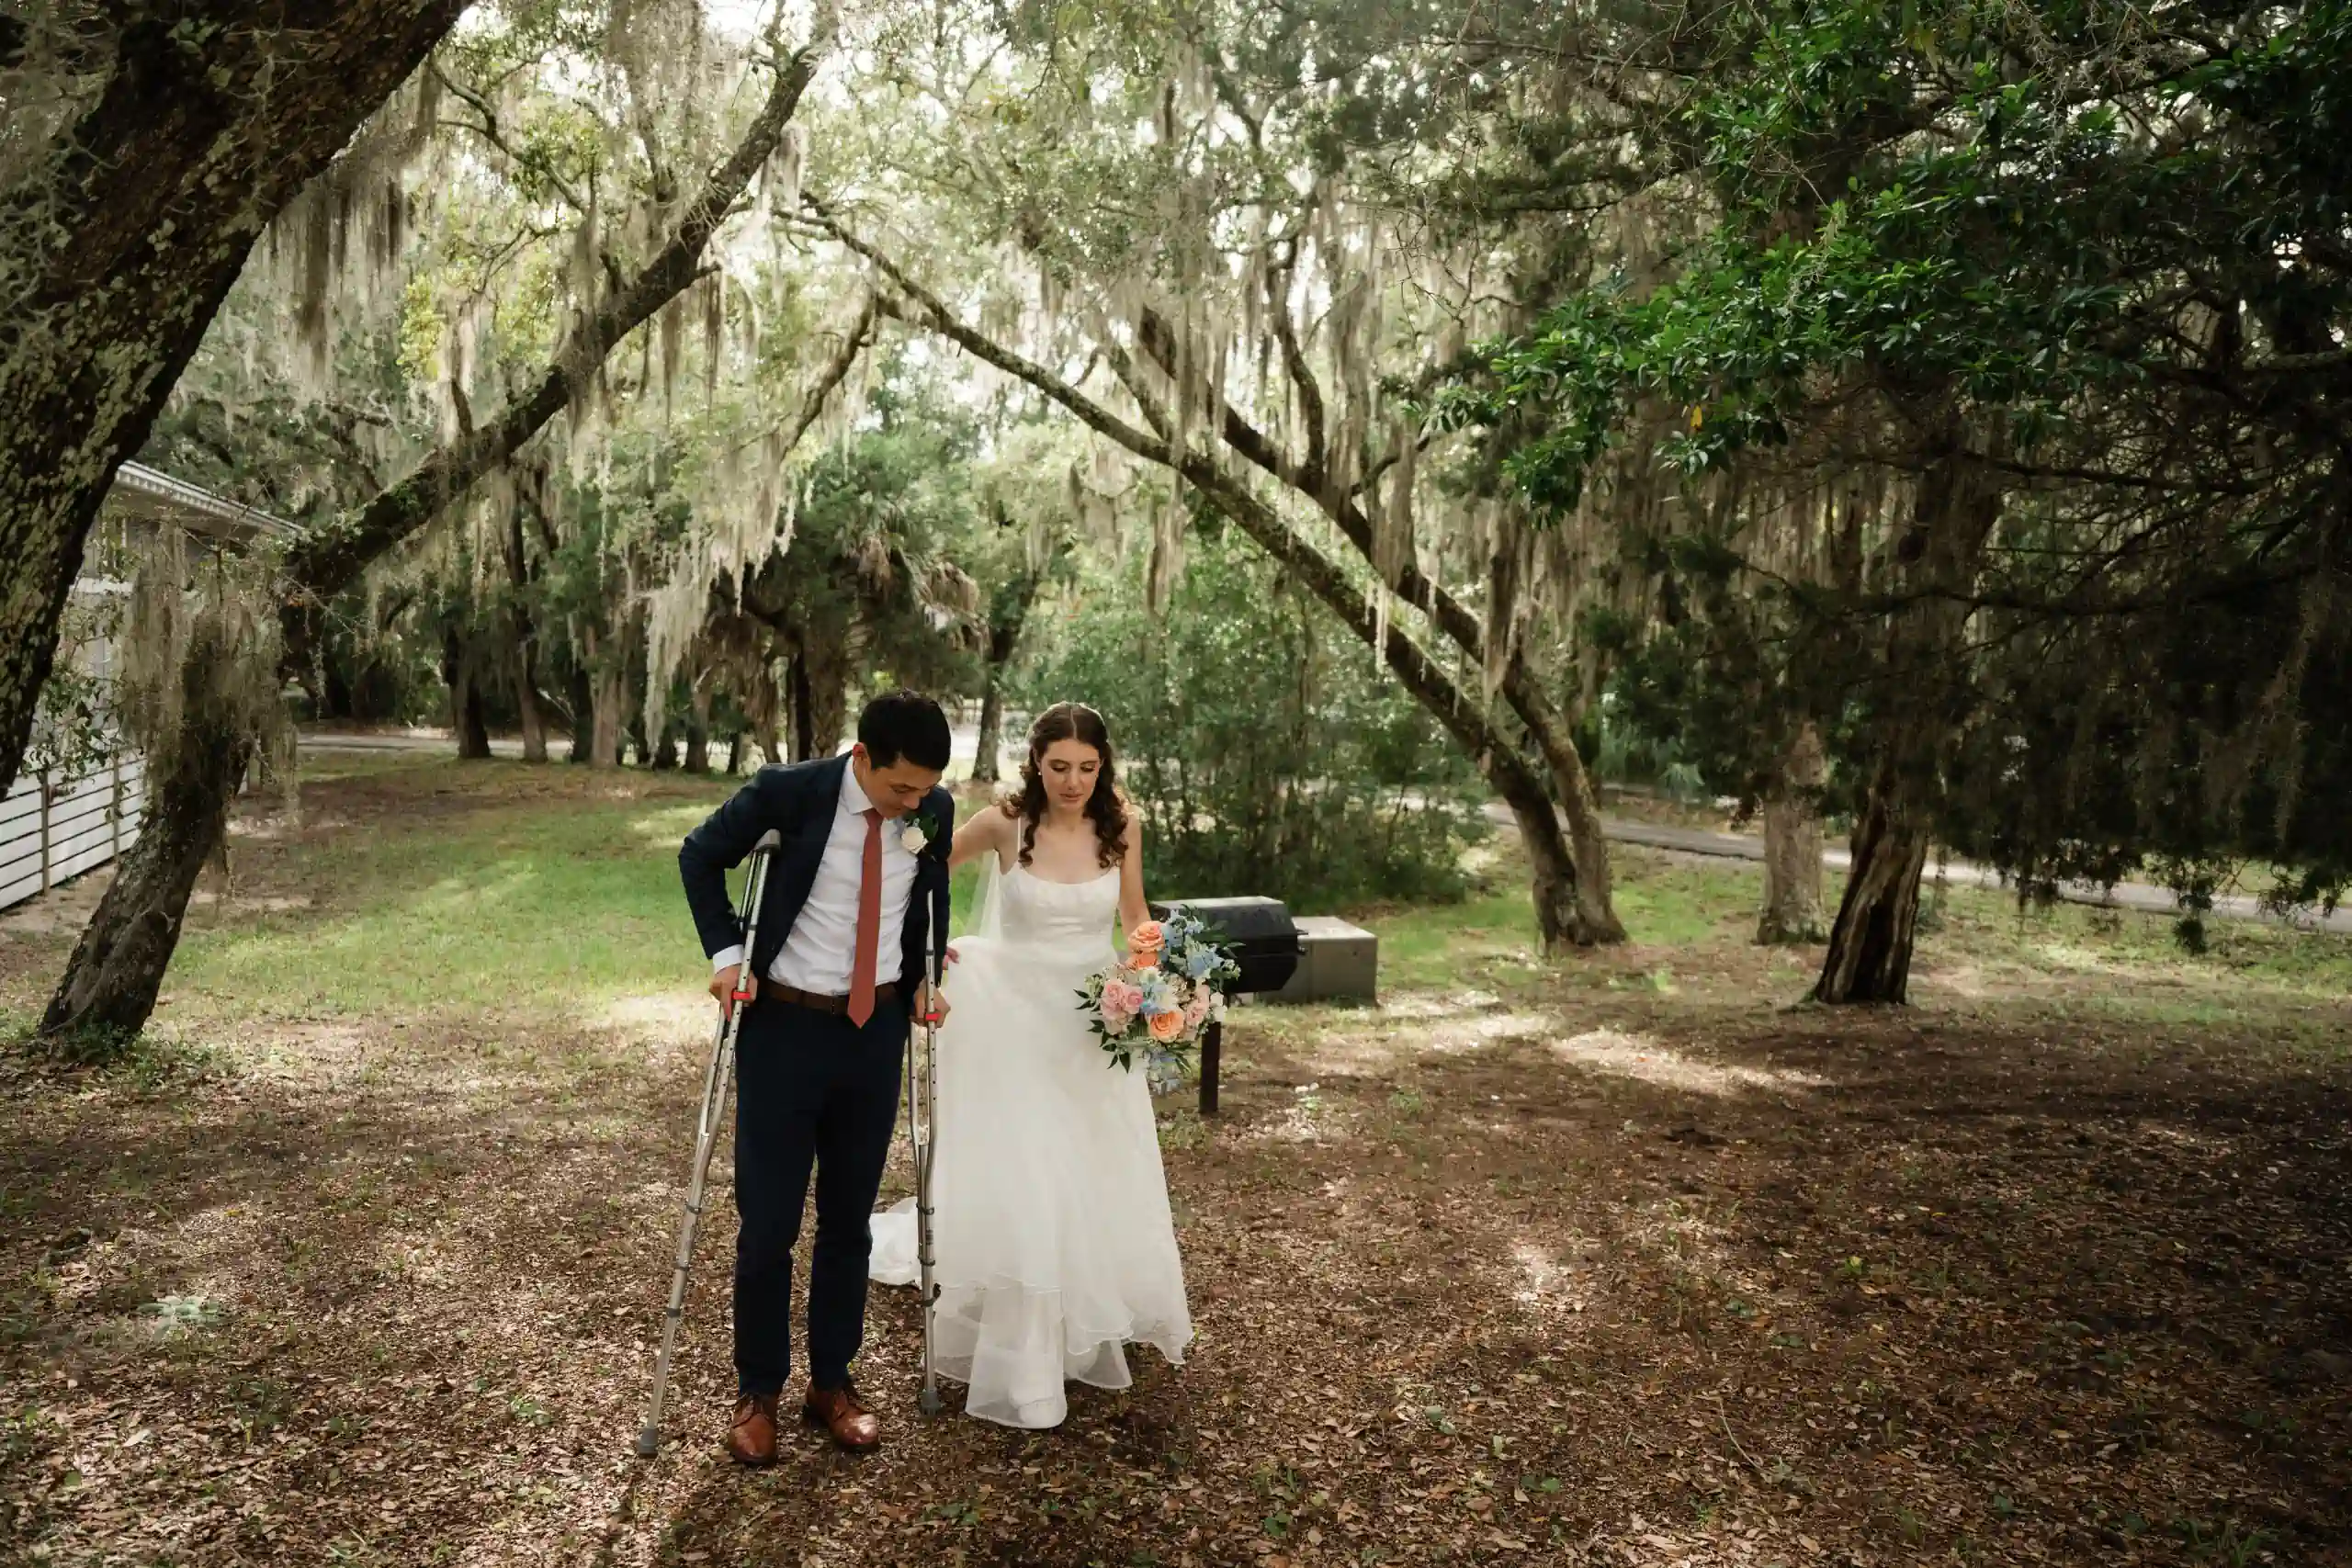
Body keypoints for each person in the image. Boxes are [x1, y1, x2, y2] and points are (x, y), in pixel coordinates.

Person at [869, 702, 1193, 1428]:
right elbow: (917, 873)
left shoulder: (1122, 826)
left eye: (1087, 767)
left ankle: (1082, 1308)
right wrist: (924, 947)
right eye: (1059, 767)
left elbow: (1136, 917)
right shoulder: (1002, 822)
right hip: (1011, 1014)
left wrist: (1149, 988)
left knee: (1089, 1167)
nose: (1073, 782)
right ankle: (1028, 1353)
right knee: (1032, 1168)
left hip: (1090, 1019)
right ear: (1035, 762)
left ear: (1102, 765)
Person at [677, 690, 955, 1462]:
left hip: (875, 1034)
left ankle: (832, 1382)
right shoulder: (787, 791)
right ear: (861, 757)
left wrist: (929, 973)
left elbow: (930, 900)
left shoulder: (933, 807)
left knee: (848, 1221)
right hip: (786, 1027)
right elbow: (699, 856)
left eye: (926, 788)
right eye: (901, 787)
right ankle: (758, 1388)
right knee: (768, 1222)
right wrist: (729, 958)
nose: (914, 801)